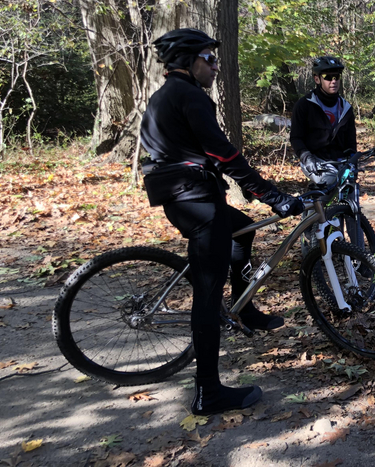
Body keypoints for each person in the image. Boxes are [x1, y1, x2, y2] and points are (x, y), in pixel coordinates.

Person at [140, 28, 304, 415]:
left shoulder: (162, 97)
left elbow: (185, 150)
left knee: (242, 233)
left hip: (183, 198)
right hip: (198, 204)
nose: (216, 67)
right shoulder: (192, 97)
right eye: (209, 59)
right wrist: (273, 195)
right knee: (206, 297)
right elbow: (224, 153)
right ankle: (208, 393)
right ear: (188, 62)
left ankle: (244, 308)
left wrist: (244, 189)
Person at [290, 56, 356, 188]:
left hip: (340, 161)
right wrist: (306, 156)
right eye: (327, 77)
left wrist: (352, 161)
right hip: (315, 161)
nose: (333, 81)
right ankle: (314, 205)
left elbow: (351, 141)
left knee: (349, 189)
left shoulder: (346, 108)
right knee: (330, 184)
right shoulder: (304, 105)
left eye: (336, 77)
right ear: (317, 79)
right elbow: (296, 137)